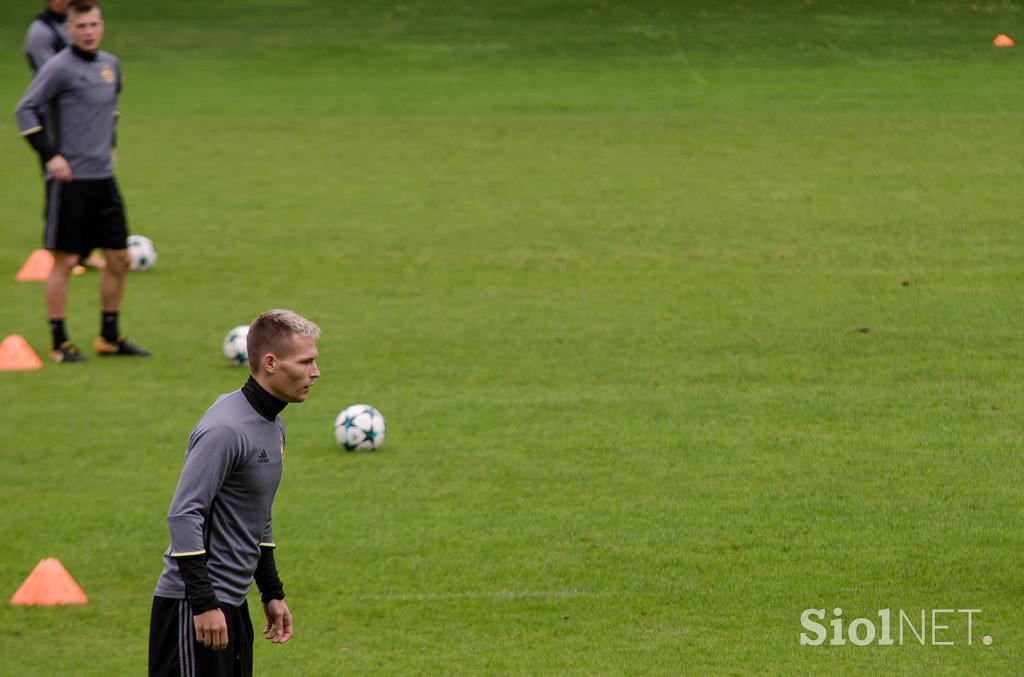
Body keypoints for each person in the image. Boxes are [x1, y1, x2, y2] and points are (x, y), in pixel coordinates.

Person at [149, 309, 321, 677]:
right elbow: (184, 515)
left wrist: (271, 591)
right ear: (271, 363)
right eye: (305, 362)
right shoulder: (225, 429)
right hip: (193, 607)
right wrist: (204, 604)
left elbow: (257, 510)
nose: (315, 372)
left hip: (231, 603)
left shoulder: (272, 423)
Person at [14, 0, 145, 362]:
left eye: (93, 24)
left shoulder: (110, 64)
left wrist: (111, 146)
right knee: (66, 261)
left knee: (119, 258)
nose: (88, 31)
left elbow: (110, 110)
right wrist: (50, 155)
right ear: (69, 30)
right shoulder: (58, 68)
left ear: (101, 26)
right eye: (81, 26)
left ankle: (109, 337)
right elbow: (23, 109)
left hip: (104, 178)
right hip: (69, 181)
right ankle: (60, 343)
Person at [24, 0, 106, 273]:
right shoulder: (40, 31)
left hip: (82, 121)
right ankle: (58, 253)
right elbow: (50, 74)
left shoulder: (74, 26)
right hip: (54, 121)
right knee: (59, 188)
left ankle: (84, 252)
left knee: (92, 191)